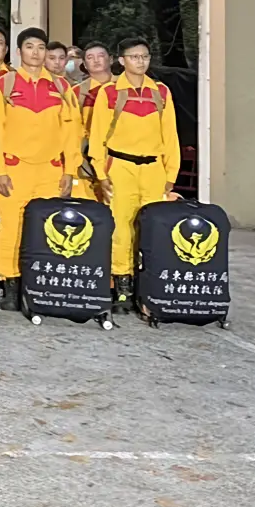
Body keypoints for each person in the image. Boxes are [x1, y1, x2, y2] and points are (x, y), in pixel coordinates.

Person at [0, 27, 81, 311]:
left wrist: (70, 170)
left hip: (51, 170)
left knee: (46, 227)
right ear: (18, 51)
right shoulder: (3, 86)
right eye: (29, 47)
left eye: (40, 47)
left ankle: (39, 283)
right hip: (14, 169)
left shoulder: (61, 88)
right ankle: (10, 283)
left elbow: (71, 132)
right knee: (10, 227)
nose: (35, 53)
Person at [87, 37, 180, 312]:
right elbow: (98, 138)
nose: (141, 62)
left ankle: (149, 286)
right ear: (121, 60)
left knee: (154, 229)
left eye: (145, 57)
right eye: (134, 57)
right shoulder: (109, 92)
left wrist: (170, 175)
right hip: (120, 167)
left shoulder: (161, 92)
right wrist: (101, 174)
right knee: (121, 228)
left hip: (154, 169)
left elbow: (170, 136)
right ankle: (122, 286)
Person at [70, 41, 115, 200]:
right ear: (84, 64)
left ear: (111, 59)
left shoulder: (125, 87)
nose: (96, 60)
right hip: (87, 154)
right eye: (90, 57)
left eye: (100, 56)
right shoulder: (76, 92)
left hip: (119, 155)